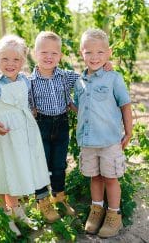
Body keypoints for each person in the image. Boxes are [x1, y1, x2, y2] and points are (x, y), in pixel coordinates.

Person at [29, 31, 112, 223]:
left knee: (59, 164)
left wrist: (106, 66)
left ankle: (59, 196)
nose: (49, 57)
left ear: (61, 56)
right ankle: (42, 200)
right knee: (40, 164)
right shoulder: (29, 81)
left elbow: (89, 79)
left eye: (54, 53)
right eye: (44, 52)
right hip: (40, 124)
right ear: (35, 54)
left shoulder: (66, 76)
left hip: (62, 124)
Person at [0, 34, 50, 236]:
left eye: (16, 59)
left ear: (23, 61)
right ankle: (3, 213)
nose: (10, 64)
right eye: (5, 59)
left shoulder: (25, 81)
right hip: (3, 134)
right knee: (3, 171)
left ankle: (17, 210)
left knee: (17, 169)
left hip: (23, 134)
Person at [74, 28, 132, 238]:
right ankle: (96, 209)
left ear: (108, 54)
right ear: (82, 53)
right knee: (95, 177)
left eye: (100, 52)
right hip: (88, 141)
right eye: (88, 52)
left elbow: (125, 105)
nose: (94, 57)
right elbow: (80, 107)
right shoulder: (79, 82)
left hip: (109, 140)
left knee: (110, 178)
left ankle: (114, 214)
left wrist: (129, 132)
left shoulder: (113, 78)